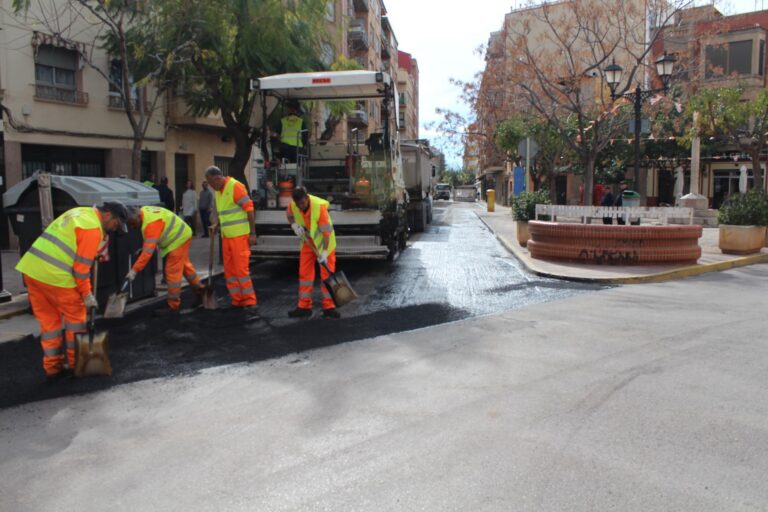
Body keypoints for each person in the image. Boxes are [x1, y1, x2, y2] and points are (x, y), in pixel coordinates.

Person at [16, 202, 128, 382]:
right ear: (108, 215)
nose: (115, 229)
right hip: (57, 276)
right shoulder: (92, 228)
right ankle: (77, 364)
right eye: (116, 224)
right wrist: (87, 295)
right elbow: (81, 270)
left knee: (49, 322)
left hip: (32, 271)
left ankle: (53, 368)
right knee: (75, 319)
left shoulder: (79, 212)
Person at [126, 206, 205, 315]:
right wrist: (144, 249)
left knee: (171, 271)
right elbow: (151, 240)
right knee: (185, 267)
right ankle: (202, 292)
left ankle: (173, 305)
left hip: (177, 239)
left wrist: (134, 270)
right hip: (182, 234)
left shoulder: (151, 224)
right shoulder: (144, 212)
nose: (132, 227)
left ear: (138, 217)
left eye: (132, 223)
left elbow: (147, 254)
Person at [205, 166, 259, 315]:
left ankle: (250, 301)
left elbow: (249, 209)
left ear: (217, 178)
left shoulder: (235, 186)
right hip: (226, 237)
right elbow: (223, 214)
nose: (211, 186)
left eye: (211, 183)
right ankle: (237, 300)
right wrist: (216, 224)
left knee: (241, 270)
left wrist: (253, 233)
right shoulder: (218, 191)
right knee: (230, 271)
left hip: (239, 236)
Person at [286, 187, 340, 319]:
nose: (301, 206)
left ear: (307, 198)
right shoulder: (293, 205)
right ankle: (304, 307)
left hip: (325, 244)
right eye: (298, 204)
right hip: (308, 242)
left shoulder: (318, 208)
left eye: (303, 203)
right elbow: (289, 215)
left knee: (327, 276)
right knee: (304, 274)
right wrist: (294, 225)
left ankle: (329, 307)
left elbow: (326, 233)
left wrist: (325, 253)